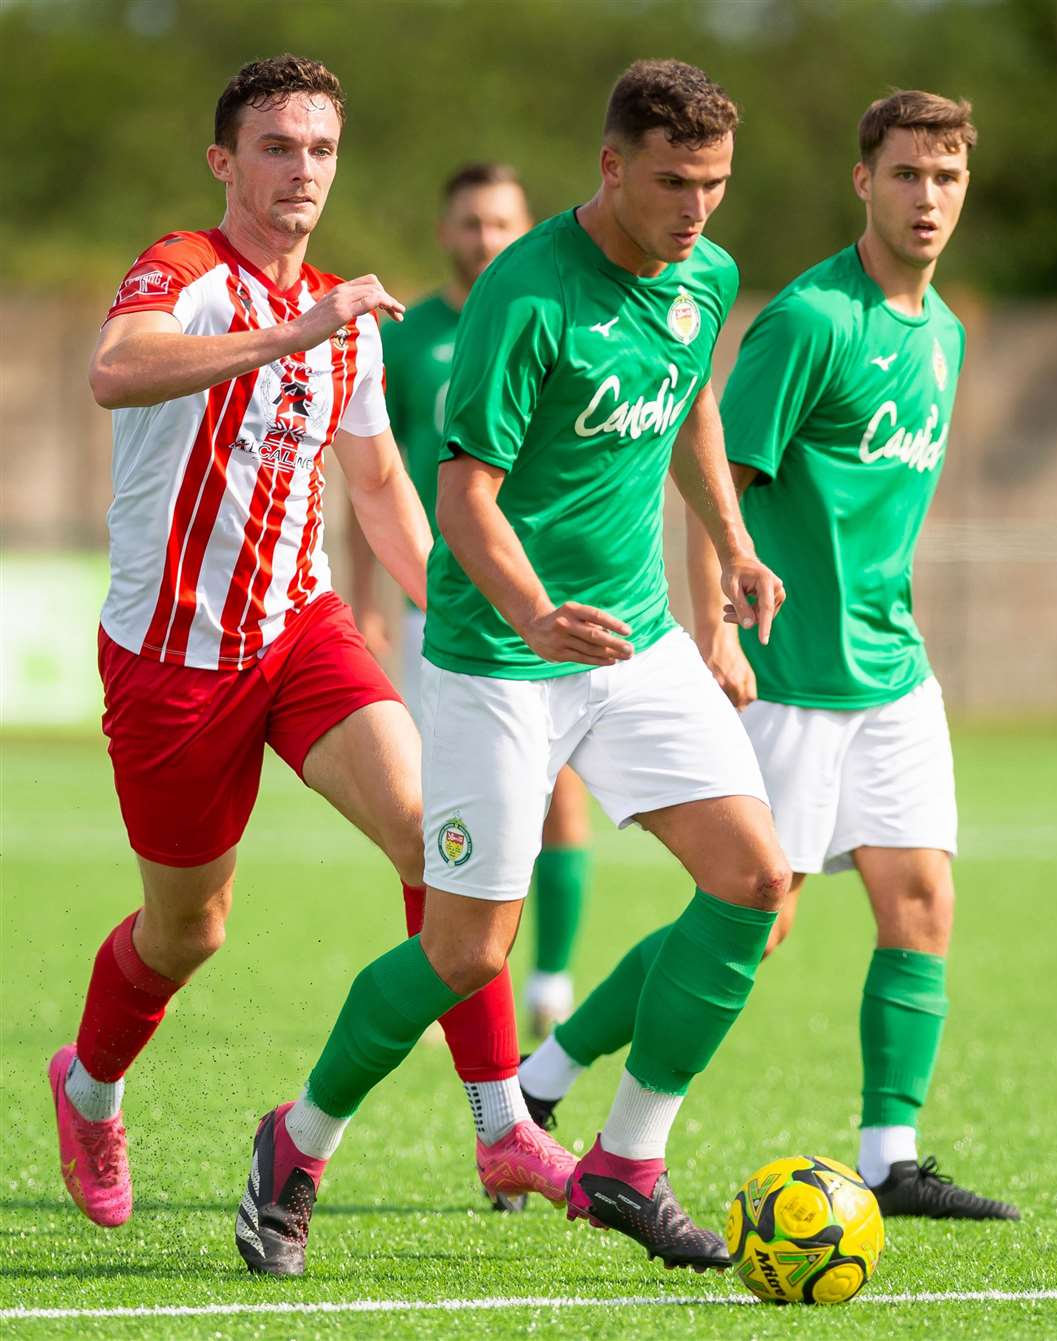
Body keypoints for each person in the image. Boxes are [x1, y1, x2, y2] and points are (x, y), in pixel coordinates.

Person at [237, 57, 791, 1279]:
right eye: (671, 182)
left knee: (755, 886)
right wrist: (536, 614)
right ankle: (298, 1141)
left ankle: (627, 1163)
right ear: (611, 167)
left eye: (714, 183)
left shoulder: (705, 272)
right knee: (464, 953)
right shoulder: (525, 296)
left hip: (635, 643)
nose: (697, 209)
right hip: (496, 655)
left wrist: (734, 546)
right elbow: (464, 499)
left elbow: (692, 403)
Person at [46, 53, 554, 1236]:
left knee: (441, 844)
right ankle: (89, 1088)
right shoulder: (187, 270)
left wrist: (469, 616)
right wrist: (293, 331)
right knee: (190, 931)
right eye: (277, 147)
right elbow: (115, 369)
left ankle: (500, 1128)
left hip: (301, 632)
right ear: (225, 161)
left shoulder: (347, 321)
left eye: (321, 150)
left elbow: (378, 487)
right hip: (173, 658)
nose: (302, 171)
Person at [519, 90, 1019, 1223]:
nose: (926, 197)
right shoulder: (811, 322)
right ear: (864, 182)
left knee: (922, 900)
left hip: (893, 670)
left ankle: (891, 1155)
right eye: (905, 175)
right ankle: (543, 1085)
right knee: (752, 914)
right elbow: (711, 484)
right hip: (788, 675)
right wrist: (714, 633)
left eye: (945, 177)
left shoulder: (943, 333)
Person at [350, 163, 592, 1037]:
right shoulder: (411, 342)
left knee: (561, 795)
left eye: (501, 224)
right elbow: (375, 476)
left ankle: (551, 981)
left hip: (545, 598)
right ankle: (454, 971)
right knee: (451, 812)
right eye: (470, 224)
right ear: (445, 231)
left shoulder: (561, 314)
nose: (486, 239)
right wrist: (369, 597)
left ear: (528, 228)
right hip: (440, 608)